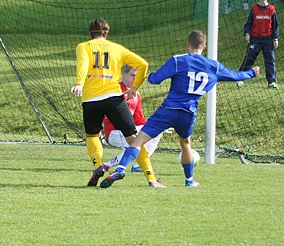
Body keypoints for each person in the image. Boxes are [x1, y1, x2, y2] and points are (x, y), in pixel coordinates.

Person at [100, 30, 260, 188]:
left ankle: (120, 169)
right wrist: (251, 73)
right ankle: (189, 180)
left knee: (139, 140)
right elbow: (235, 76)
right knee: (185, 143)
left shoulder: (178, 61)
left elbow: (155, 80)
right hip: (188, 113)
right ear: (204, 47)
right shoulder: (214, 67)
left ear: (188, 44)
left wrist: (150, 75)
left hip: (168, 110)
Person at [71, 18, 164, 188]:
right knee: (134, 139)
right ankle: (151, 179)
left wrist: (79, 83)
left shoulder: (83, 46)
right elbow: (143, 64)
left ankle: (98, 165)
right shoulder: (117, 48)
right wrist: (135, 87)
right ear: (106, 33)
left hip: (91, 99)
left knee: (92, 136)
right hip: (114, 98)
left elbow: (83, 64)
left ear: (90, 33)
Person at [100, 64, 163, 172]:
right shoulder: (115, 90)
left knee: (156, 131)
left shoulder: (136, 94)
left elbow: (139, 119)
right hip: (114, 132)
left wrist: (156, 126)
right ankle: (110, 164)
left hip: (129, 131)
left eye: (137, 77)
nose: (135, 79)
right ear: (124, 74)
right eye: (132, 75)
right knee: (136, 144)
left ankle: (138, 165)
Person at [238, 0, 279, 89]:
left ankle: (272, 82)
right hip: (255, 38)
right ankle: (240, 79)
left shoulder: (271, 9)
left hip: (267, 39)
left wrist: (275, 38)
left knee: (270, 61)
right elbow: (248, 23)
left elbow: (275, 26)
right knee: (249, 59)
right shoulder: (254, 9)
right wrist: (247, 33)